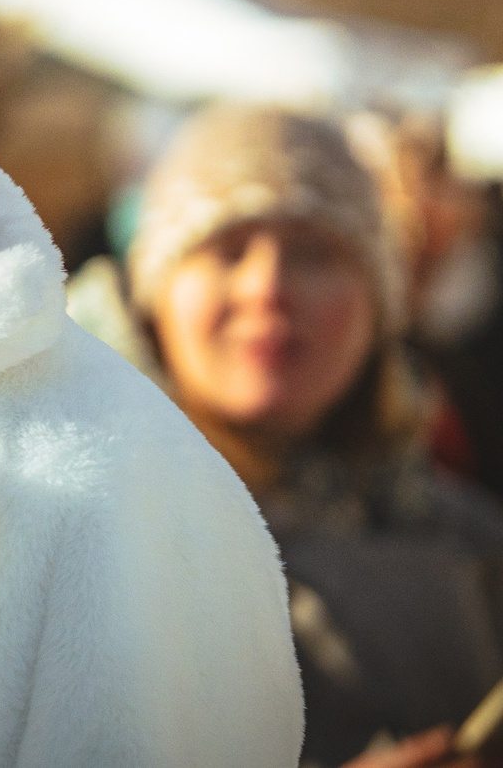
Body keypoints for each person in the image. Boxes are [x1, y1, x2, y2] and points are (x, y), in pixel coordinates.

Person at [128, 104, 503, 768]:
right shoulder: (69, 531)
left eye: (314, 253)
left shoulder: (466, 536)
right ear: (156, 298)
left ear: (378, 302)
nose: (267, 287)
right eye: (227, 249)